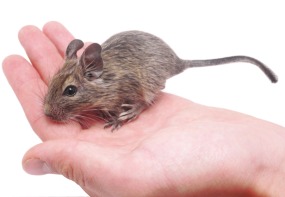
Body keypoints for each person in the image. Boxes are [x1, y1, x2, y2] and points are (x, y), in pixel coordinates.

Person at [2, 21, 285, 197]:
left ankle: (136, 108)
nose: (53, 109)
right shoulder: (91, 79)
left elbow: (128, 87)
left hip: (154, 62)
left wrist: (130, 109)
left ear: (93, 73)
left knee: (137, 87)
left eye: (70, 92)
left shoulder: (109, 86)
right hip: (137, 48)